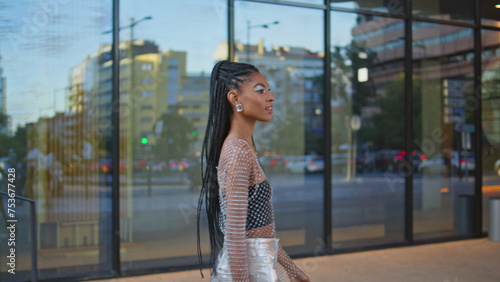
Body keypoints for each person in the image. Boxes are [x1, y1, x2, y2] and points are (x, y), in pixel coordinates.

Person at [197, 60, 310, 282]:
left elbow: (260, 232)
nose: (271, 97)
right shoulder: (238, 151)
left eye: (269, 89)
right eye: (260, 90)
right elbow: (235, 235)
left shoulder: (242, 147)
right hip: (247, 268)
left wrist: (291, 269)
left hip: (257, 263)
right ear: (234, 98)